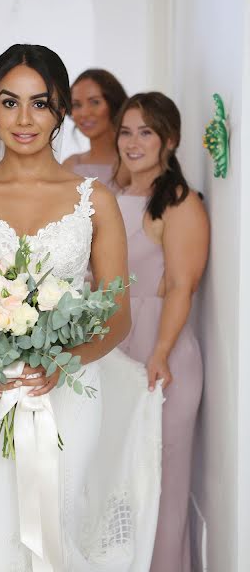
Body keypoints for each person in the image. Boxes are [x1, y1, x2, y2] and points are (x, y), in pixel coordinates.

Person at [0, 44, 163, 572]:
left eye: (40, 103)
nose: (24, 119)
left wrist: (60, 359)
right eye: (9, 102)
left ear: (61, 109)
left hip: (65, 387)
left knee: (53, 524)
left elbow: (118, 317)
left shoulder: (95, 200)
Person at [115, 91, 210, 572]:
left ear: (169, 140)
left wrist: (162, 353)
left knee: (162, 484)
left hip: (160, 353)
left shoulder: (178, 202)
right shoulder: (114, 198)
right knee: (120, 484)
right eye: (127, 131)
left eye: (145, 132)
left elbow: (180, 285)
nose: (133, 142)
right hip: (115, 351)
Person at [64, 68, 130, 192]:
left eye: (95, 102)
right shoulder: (70, 165)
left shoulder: (132, 163)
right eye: (77, 105)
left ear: (114, 104)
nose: (84, 113)